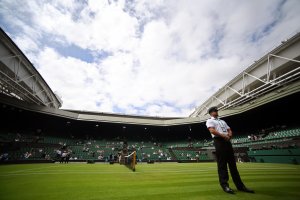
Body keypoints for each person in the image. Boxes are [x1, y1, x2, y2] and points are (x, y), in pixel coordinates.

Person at [206, 106, 254, 194]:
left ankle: (240, 186)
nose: (216, 111)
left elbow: (229, 129)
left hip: (227, 141)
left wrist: (230, 135)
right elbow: (212, 131)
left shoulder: (222, 121)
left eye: (216, 110)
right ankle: (225, 186)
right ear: (211, 113)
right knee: (222, 165)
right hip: (219, 141)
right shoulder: (210, 120)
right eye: (214, 111)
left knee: (233, 164)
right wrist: (223, 135)